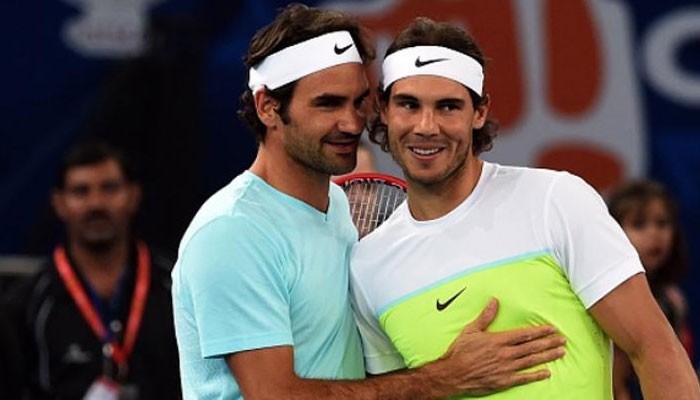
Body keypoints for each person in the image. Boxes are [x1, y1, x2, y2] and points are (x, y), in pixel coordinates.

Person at [171, 4, 566, 400]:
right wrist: (443, 377)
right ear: (268, 107)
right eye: (328, 103)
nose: (352, 122)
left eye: (358, 102)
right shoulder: (233, 232)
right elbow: (274, 394)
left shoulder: (338, 206)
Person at [350, 17, 700, 399]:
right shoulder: (368, 266)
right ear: (384, 110)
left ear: (479, 112)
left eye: (448, 106)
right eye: (408, 105)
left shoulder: (556, 200)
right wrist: (445, 376)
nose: (426, 126)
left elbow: (654, 348)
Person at [5, 140, 180, 399]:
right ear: (59, 203)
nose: (96, 203)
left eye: (109, 188)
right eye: (81, 191)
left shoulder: (178, 288)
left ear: (133, 196)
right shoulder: (26, 307)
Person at [608, 180, 695, 400]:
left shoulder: (673, 299)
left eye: (662, 223)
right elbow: (615, 384)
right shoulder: (612, 299)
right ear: (613, 232)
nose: (654, 234)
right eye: (639, 224)